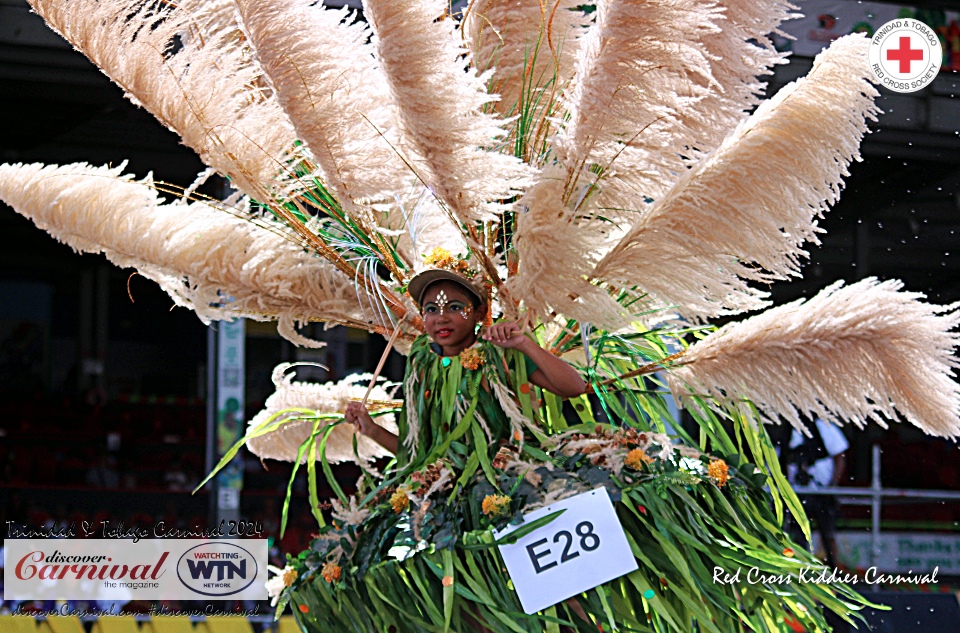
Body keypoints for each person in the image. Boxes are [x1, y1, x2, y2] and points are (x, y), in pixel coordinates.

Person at [344, 269, 586, 460]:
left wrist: (525, 345)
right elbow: (421, 460)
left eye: (455, 307)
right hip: (453, 503)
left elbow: (574, 388)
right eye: (431, 309)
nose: (441, 318)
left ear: (479, 313)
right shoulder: (423, 367)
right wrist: (372, 430)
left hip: (517, 482)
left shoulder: (502, 353)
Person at [780, 417, 849, 567]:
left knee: (827, 534)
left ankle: (833, 573)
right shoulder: (787, 431)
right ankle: (801, 570)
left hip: (821, 492)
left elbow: (840, 455)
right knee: (797, 534)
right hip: (797, 492)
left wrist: (832, 485)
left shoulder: (823, 426)